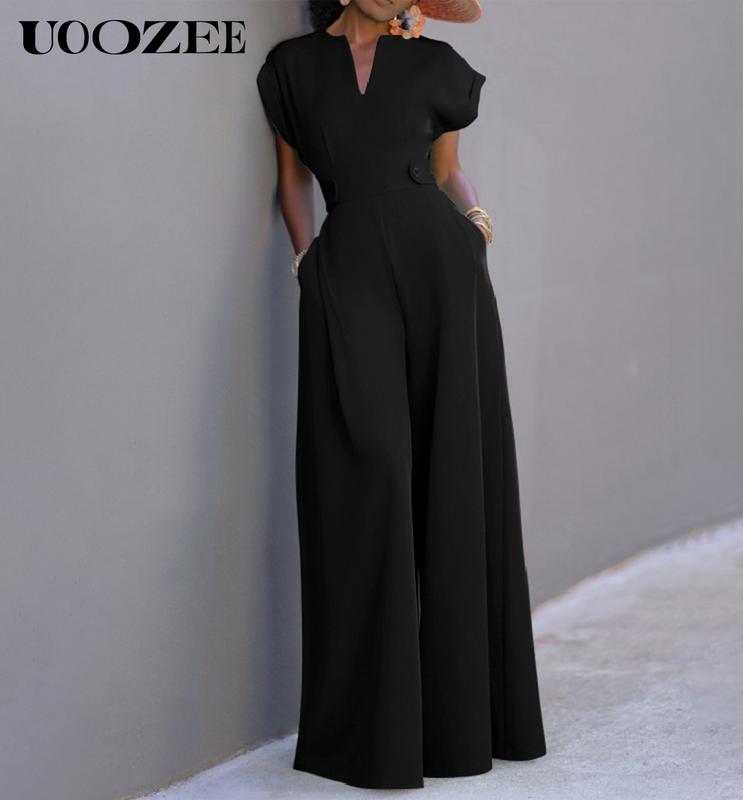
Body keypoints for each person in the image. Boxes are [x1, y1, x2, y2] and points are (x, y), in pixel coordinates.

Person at [257, 0, 547, 789]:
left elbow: (448, 169)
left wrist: (476, 222)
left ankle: (458, 725)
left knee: (452, 478)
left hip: (444, 275)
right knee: (373, 469)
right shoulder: (291, 71)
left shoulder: (435, 66)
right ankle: (370, 732)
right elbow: (292, 179)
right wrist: (307, 263)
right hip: (347, 272)